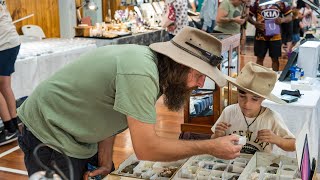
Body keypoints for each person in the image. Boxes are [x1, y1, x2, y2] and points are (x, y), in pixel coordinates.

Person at [17, 27, 243, 179]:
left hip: (76, 135)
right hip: (50, 133)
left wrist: (105, 159)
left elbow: (109, 109)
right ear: (179, 64)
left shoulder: (155, 70)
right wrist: (210, 147)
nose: (200, 83)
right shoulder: (141, 73)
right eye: (198, 73)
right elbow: (146, 149)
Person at [211, 62, 296, 154]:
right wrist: (217, 135)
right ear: (237, 93)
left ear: (263, 98)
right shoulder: (229, 112)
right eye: (242, 96)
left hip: (260, 165)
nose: (247, 104)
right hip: (231, 162)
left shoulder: (271, 118)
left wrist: (277, 139)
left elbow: (293, 145)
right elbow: (213, 141)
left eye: (254, 99)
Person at [249, 0, 292, 71]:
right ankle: (258, 78)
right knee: (259, 59)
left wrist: (282, 20)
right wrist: (255, 23)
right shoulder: (257, 2)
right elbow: (248, 16)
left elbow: (289, 17)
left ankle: (274, 78)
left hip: (276, 36)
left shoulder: (280, 2)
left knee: (275, 59)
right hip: (260, 36)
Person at [0, 0, 21, 146]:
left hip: (4, 43)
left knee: (2, 85)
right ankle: (14, 124)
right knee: (4, 84)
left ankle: (9, 128)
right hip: (10, 41)